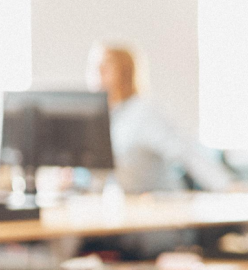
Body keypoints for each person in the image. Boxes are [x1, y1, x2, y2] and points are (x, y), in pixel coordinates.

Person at [87, 44, 235, 193]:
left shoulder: (143, 112)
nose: (97, 74)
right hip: (124, 201)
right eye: (94, 67)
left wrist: (226, 185)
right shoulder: (99, 116)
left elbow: (185, 151)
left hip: (160, 200)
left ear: (124, 72)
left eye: (105, 67)